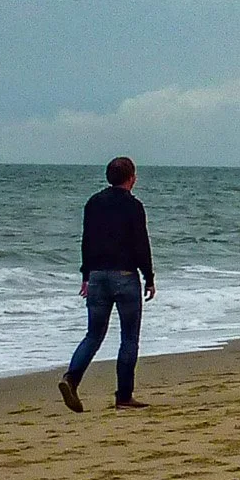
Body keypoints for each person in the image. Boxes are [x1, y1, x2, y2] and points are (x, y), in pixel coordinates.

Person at [60, 156, 155, 412]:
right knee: (129, 338)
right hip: (125, 276)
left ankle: (71, 378)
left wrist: (86, 275)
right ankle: (124, 396)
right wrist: (149, 277)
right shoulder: (134, 207)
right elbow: (140, 244)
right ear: (131, 178)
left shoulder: (93, 203)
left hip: (98, 275)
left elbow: (87, 241)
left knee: (93, 334)